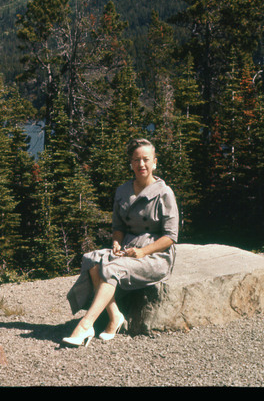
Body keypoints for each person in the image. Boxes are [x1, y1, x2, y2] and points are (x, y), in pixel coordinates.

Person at [62, 137, 179, 346]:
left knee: (112, 269)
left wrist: (144, 252)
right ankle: (115, 316)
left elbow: (170, 237)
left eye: (145, 159)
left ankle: (85, 326)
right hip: (128, 249)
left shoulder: (164, 193)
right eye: (136, 160)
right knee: (92, 260)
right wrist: (117, 243)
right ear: (131, 163)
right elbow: (119, 227)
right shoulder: (123, 191)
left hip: (155, 255)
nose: (141, 164)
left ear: (155, 162)